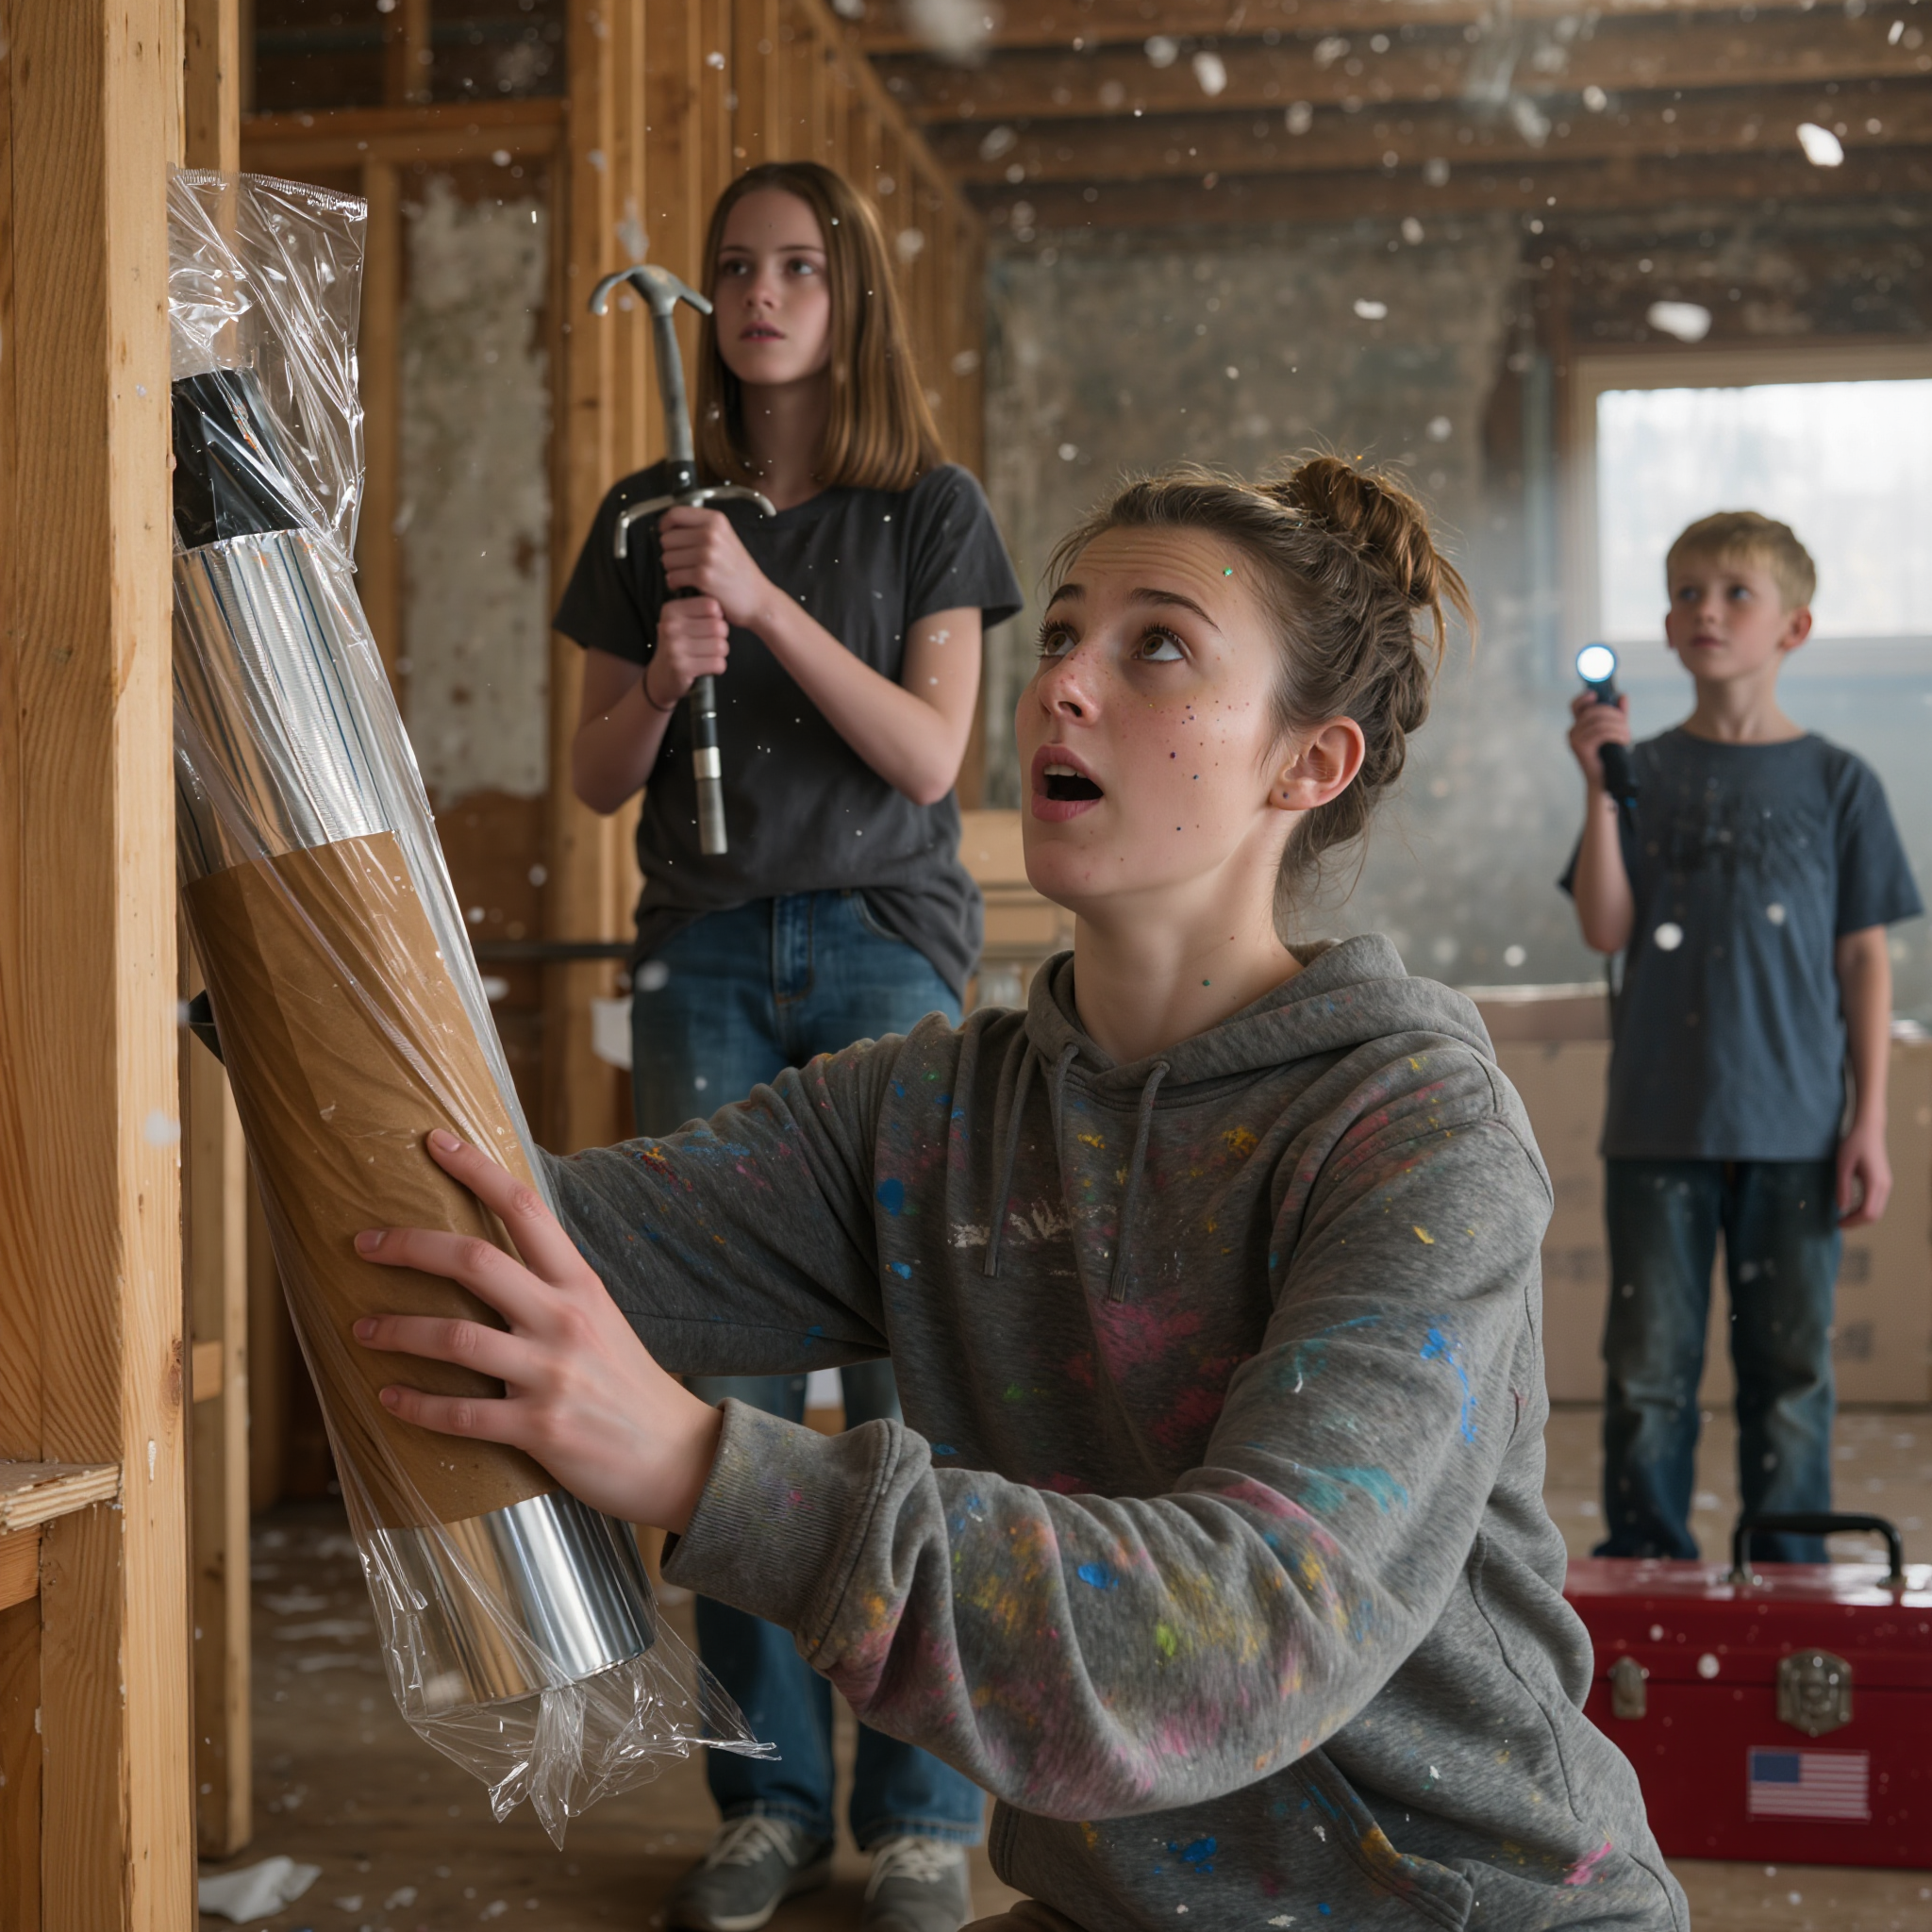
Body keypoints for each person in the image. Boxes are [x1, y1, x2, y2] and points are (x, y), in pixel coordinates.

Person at [358, 457, 1686, 1930]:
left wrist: (698, 1468)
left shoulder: (1412, 1127)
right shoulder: (925, 1114)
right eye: (1059, 633)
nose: (1061, 683)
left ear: (1307, 766)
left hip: (1463, 1907)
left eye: (1156, 645)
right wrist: (281, 936)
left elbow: (1238, 1639)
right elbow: (489, 1242)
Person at [553, 159, 1020, 1931]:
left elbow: (924, 757)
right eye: (736, 267)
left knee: (911, 1382)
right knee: (726, 1393)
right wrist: (668, 672)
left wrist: (758, 603)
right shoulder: (644, 511)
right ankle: (763, 1801)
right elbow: (600, 777)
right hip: (707, 962)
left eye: (796, 267)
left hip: (887, 956)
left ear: (849, 296)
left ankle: (919, 1812)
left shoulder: (925, 510)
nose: (759, 295)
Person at [1564, 510, 1923, 1564]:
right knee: (1644, 1376)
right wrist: (1598, 790)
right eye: (1683, 592)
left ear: (1793, 626)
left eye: (1732, 592)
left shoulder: (1836, 782)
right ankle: (1646, 1575)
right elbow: (1602, 927)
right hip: (1655, 1125)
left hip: (1797, 1129)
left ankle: (1787, 1576)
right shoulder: (1640, 770)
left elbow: (1862, 959)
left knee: (1790, 1376)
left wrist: (1868, 1123)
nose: (1703, 610)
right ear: (1664, 629)